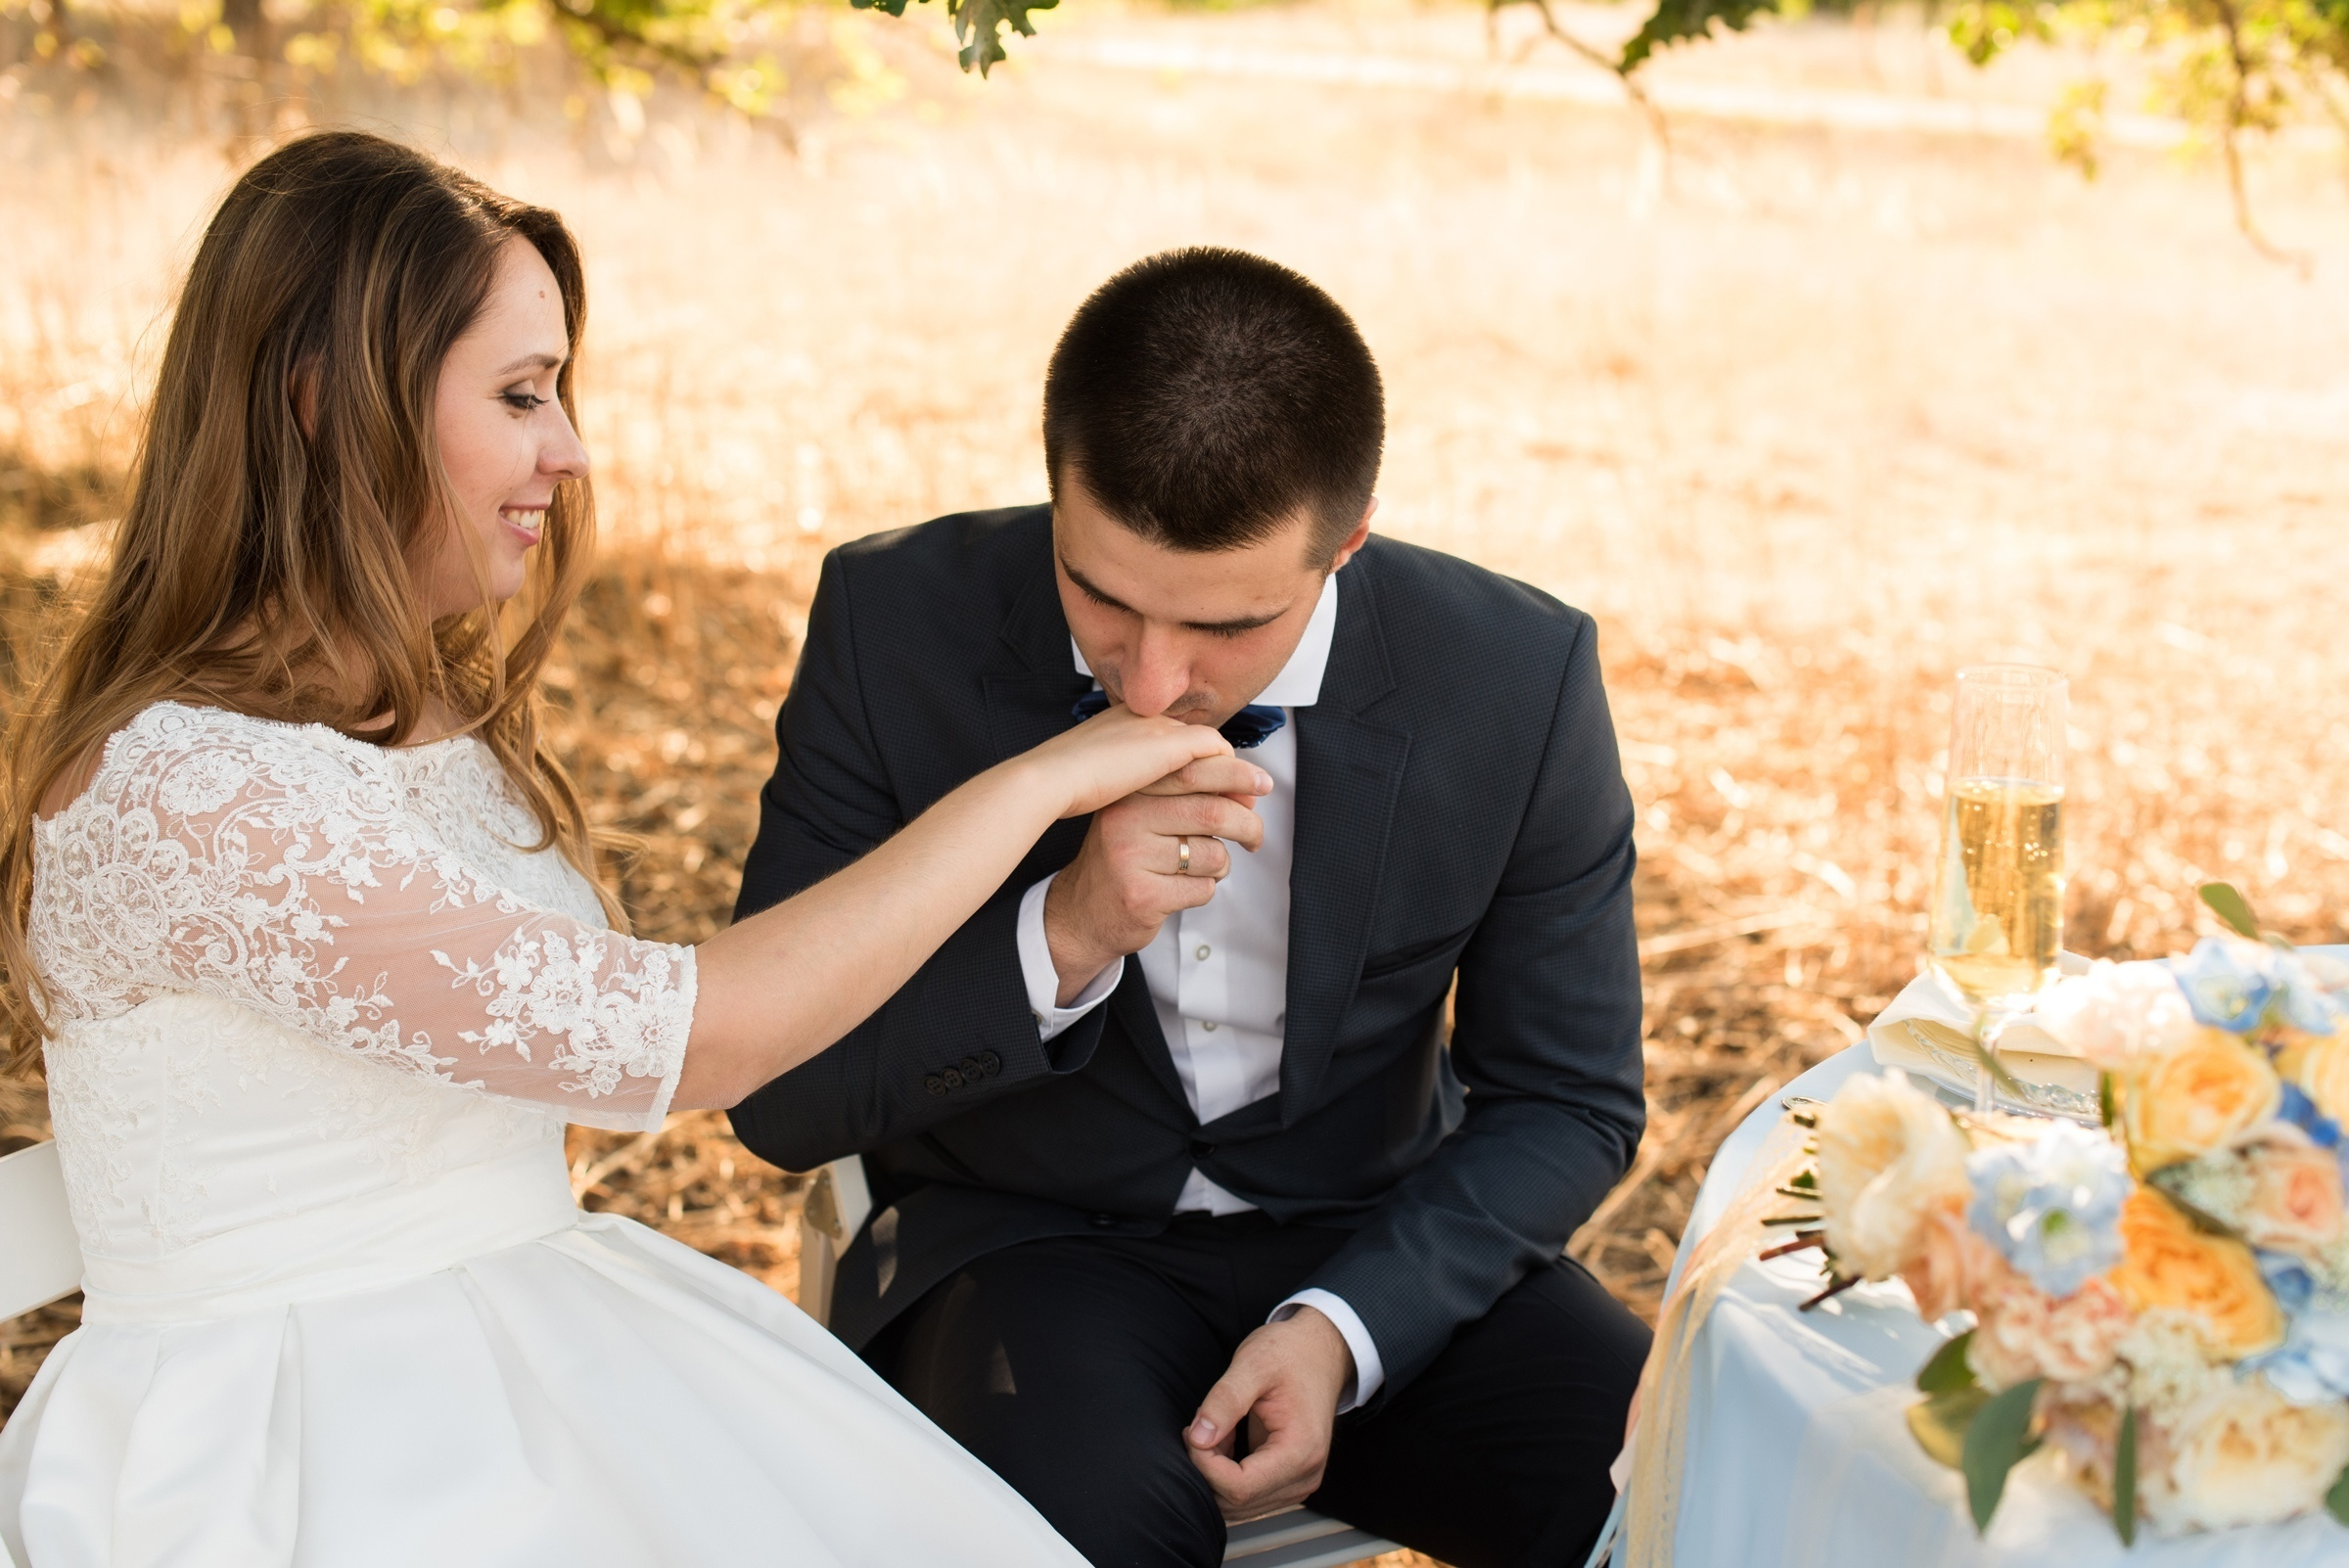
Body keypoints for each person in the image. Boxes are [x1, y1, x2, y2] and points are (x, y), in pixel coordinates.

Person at [0, 130, 1232, 1568]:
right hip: (295, 1435)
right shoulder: (187, 791)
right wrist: (1038, 787)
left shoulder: (418, 712)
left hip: (522, 1331)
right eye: (521, 394)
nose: (570, 450)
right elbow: (690, 1041)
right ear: (325, 404)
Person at [728, 247, 1654, 1568]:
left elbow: (1568, 1097)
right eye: (1100, 596)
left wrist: (1346, 1328)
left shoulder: (1516, 674)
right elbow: (778, 1097)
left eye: (1228, 625)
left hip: (1384, 1242)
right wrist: (1062, 933)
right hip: (1023, 1244)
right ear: (1054, 486)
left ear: (1348, 538)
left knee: (1673, 1491)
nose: (1154, 683)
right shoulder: (892, 625)